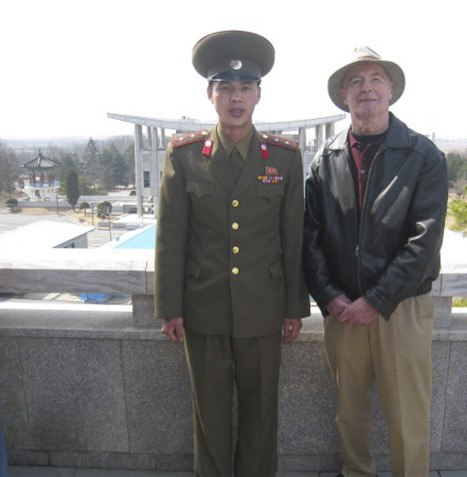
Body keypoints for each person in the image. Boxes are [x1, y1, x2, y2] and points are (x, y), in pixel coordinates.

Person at [155, 30, 310, 477]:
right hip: (202, 309)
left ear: (259, 95)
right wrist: (170, 307)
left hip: (263, 309)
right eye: (226, 88)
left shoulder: (282, 158)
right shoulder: (185, 156)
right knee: (210, 417)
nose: (236, 98)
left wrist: (295, 308)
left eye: (245, 88)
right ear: (210, 94)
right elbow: (171, 236)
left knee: (262, 416)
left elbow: (293, 237)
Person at [303, 46, 448, 477]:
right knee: (349, 413)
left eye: (376, 79)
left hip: (401, 308)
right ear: (344, 96)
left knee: (407, 416)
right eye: (356, 81)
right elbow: (309, 238)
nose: (366, 88)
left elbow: (425, 242)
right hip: (342, 311)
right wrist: (330, 297)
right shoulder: (323, 161)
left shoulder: (423, 156)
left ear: (391, 92)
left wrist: (377, 299)